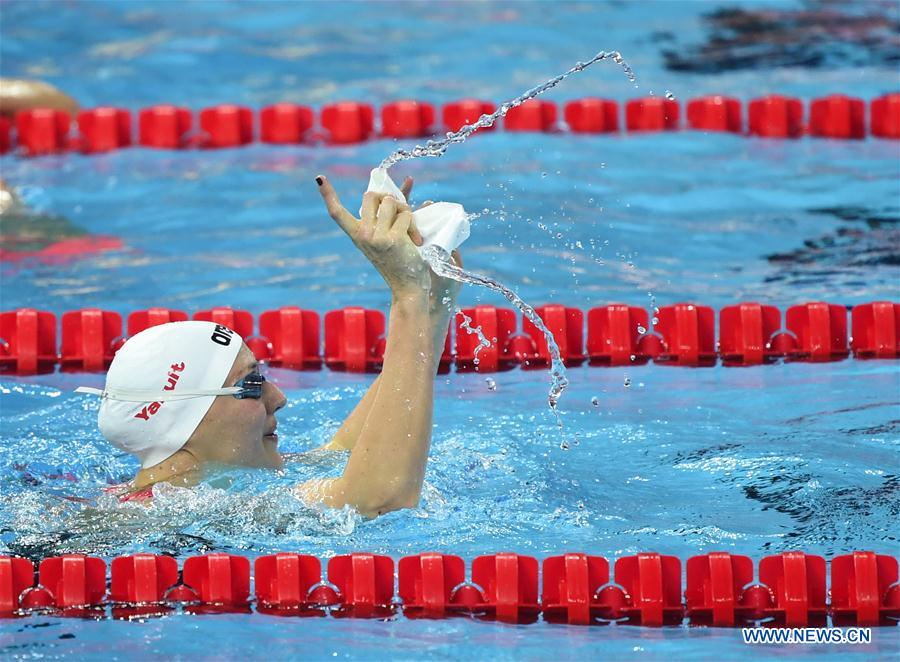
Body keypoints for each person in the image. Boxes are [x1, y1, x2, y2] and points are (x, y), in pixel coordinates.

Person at [79, 175, 463, 519]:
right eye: (250, 385)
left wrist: (431, 306)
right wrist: (406, 295)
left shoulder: (211, 485)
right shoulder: (165, 517)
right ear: (182, 422)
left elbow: (346, 451)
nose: (278, 398)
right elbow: (379, 498)